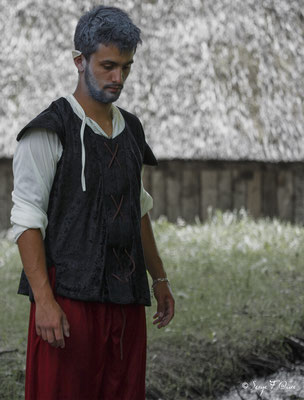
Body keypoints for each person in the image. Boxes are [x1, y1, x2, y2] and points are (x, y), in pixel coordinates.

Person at [10, 5, 175, 400]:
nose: (118, 78)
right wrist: (45, 302)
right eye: (108, 66)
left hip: (126, 301)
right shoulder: (48, 131)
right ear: (79, 61)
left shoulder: (131, 128)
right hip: (68, 303)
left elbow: (138, 208)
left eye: (126, 67)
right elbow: (26, 220)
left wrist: (160, 279)